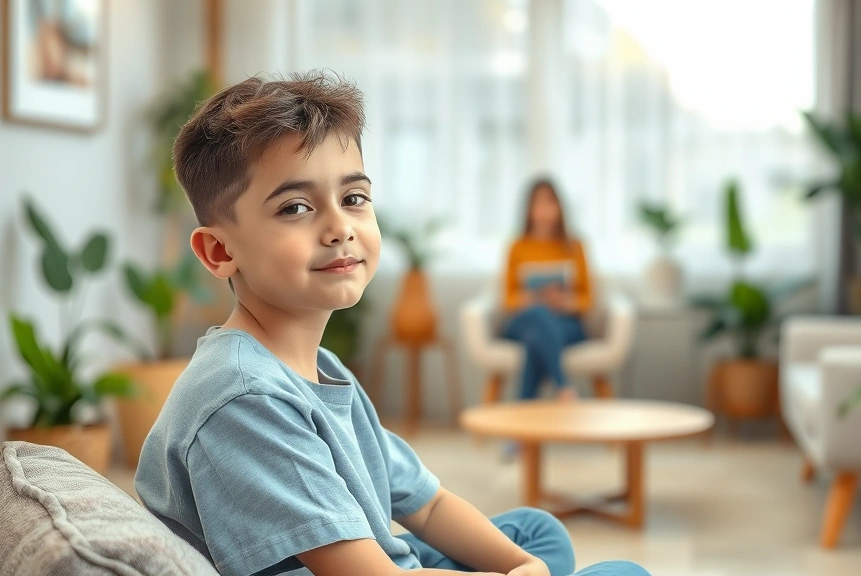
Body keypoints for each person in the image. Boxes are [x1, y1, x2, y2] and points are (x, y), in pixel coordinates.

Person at [133, 72, 649, 576]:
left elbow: (428, 506)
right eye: (295, 207)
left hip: (381, 559)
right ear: (220, 250)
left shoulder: (322, 368)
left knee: (535, 536)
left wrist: (520, 565)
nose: (339, 228)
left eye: (353, 198)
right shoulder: (243, 398)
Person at [502, 179, 591, 402]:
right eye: (538, 204)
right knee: (538, 314)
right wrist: (531, 298)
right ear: (529, 209)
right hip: (525, 318)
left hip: (565, 323)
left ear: (560, 207)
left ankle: (521, 432)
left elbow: (587, 299)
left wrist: (563, 302)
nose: (544, 210)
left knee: (536, 339)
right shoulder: (517, 246)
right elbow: (508, 299)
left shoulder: (575, 246)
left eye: (550, 203)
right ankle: (563, 386)